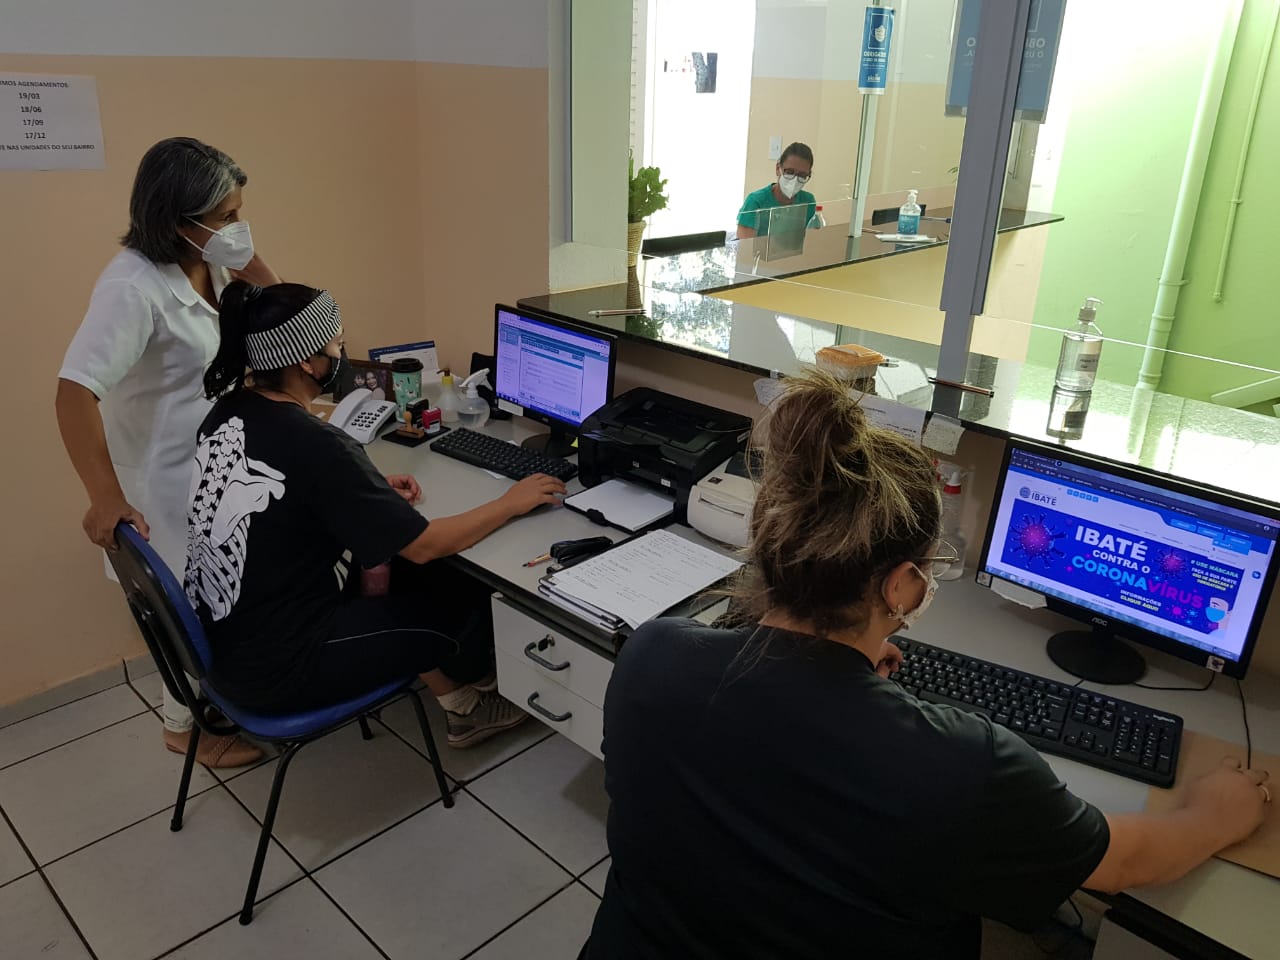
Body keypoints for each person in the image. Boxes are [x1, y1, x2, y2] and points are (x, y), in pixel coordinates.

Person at [581, 370, 1272, 959]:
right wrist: (1218, 813)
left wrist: (846, 680)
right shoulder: (966, 765)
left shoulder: (651, 654)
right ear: (902, 587)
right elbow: (1123, 862)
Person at [184, 281, 565, 745]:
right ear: (306, 361)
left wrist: (365, 491)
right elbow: (425, 546)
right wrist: (510, 503)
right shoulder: (316, 443)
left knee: (399, 571)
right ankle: (473, 699)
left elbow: (289, 497)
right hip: (281, 667)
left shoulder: (227, 413)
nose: (342, 354)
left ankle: (458, 701)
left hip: (225, 649)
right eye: (336, 344)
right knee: (450, 592)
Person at [57, 137, 281, 768]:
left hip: (214, 461)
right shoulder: (131, 288)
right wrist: (105, 497)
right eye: (226, 217)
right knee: (183, 611)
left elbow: (275, 310)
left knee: (219, 598)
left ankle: (224, 702)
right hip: (162, 480)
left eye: (239, 213)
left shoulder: (209, 258)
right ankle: (185, 728)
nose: (238, 228)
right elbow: (73, 392)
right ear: (179, 220)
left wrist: (258, 271)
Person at [735, 141, 818, 239]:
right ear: (778, 168)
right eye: (789, 172)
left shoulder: (808, 201)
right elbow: (745, 245)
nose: (795, 179)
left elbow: (812, 241)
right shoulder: (755, 202)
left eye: (802, 175)